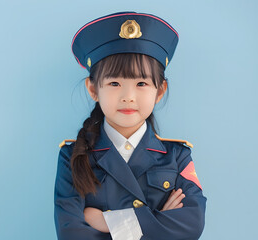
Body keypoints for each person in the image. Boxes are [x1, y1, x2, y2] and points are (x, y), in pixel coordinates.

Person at [54, 11, 207, 240]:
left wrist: (108, 221)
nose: (128, 96)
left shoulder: (177, 156)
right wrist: (157, 221)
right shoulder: (73, 155)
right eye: (114, 83)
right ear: (94, 89)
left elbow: (191, 224)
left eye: (141, 83)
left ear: (160, 91)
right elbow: (71, 233)